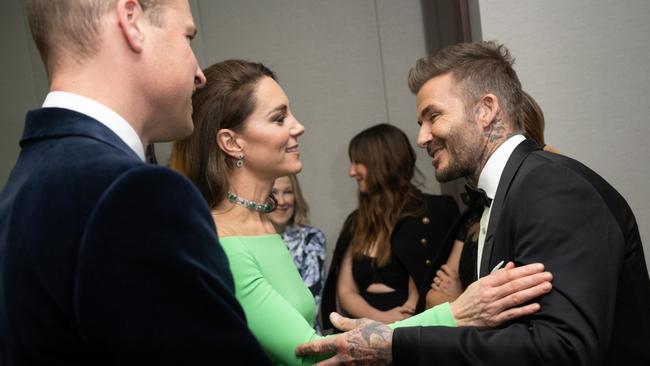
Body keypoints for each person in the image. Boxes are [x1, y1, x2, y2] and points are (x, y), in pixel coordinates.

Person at [171, 59, 554, 366]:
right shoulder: (223, 243)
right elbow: (314, 352)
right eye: (278, 118)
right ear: (231, 142)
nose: (298, 127)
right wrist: (457, 313)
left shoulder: (262, 224)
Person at [296, 41, 650, 365]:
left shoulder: (551, 187)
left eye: (434, 116)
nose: (421, 137)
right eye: (420, 123)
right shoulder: (503, 194)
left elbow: (563, 349)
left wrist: (397, 346)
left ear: (486, 110)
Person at [0, 1, 270, 364]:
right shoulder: (135, 195)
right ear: (131, 21)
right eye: (187, 36)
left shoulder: (23, 184)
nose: (199, 73)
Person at [425, 89, 556, 308]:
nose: (424, 138)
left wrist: (460, 301)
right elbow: (433, 297)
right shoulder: (477, 209)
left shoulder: (540, 201)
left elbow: (530, 306)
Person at [320, 123, 459, 328]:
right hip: (365, 327)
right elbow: (345, 291)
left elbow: (427, 272)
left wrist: (402, 318)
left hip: (416, 324)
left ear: (382, 162)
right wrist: (380, 319)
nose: (351, 172)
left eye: (358, 162)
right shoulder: (356, 221)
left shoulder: (433, 210)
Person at [268, 174, 327, 316]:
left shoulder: (312, 238)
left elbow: (312, 302)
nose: (281, 201)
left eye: (288, 192)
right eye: (273, 193)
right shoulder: (246, 240)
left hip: (305, 331)